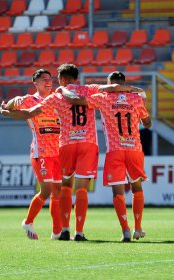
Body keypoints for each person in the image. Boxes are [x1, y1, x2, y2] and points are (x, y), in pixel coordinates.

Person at [11, 64, 144, 241]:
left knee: (65, 185)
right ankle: (79, 232)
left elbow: (30, 113)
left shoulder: (57, 95)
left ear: (63, 79)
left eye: (58, 78)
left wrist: (6, 111)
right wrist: (135, 90)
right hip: (88, 143)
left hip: (66, 143)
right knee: (81, 189)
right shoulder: (90, 90)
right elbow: (113, 88)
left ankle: (64, 230)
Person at [60, 71, 151, 242]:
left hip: (115, 150)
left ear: (110, 84)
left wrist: (63, 89)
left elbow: (76, 100)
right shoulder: (136, 99)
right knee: (137, 188)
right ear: (123, 83)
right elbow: (148, 123)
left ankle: (125, 231)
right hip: (134, 148)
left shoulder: (103, 98)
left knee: (118, 192)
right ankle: (138, 228)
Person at [0, 69, 62, 240]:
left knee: (58, 191)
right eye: (44, 79)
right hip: (40, 151)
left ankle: (57, 232)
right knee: (46, 190)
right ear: (35, 82)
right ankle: (28, 222)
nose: (48, 82)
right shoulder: (29, 100)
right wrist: (12, 103)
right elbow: (7, 107)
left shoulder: (57, 99)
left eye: (50, 79)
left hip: (58, 152)